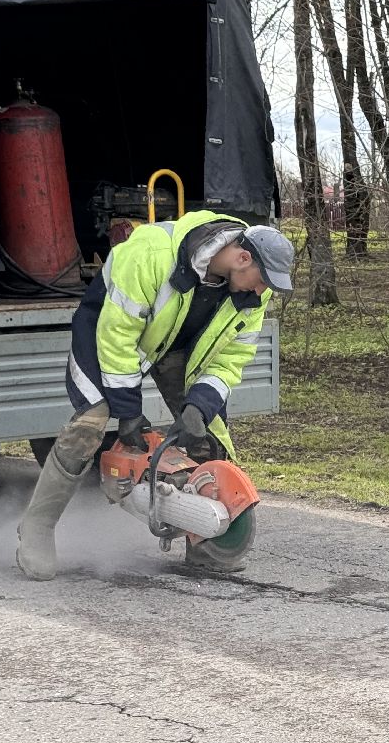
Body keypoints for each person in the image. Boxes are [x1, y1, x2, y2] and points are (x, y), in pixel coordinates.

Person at [16, 211, 295, 581]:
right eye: (262, 281)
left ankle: (205, 543)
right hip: (109, 329)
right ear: (243, 258)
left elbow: (231, 359)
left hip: (177, 346)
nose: (261, 293)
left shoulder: (250, 298)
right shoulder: (151, 254)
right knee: (91, 423)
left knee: (206, 434)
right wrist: (127, 412)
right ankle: (38, 526)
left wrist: (200, 406)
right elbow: (117, 337)